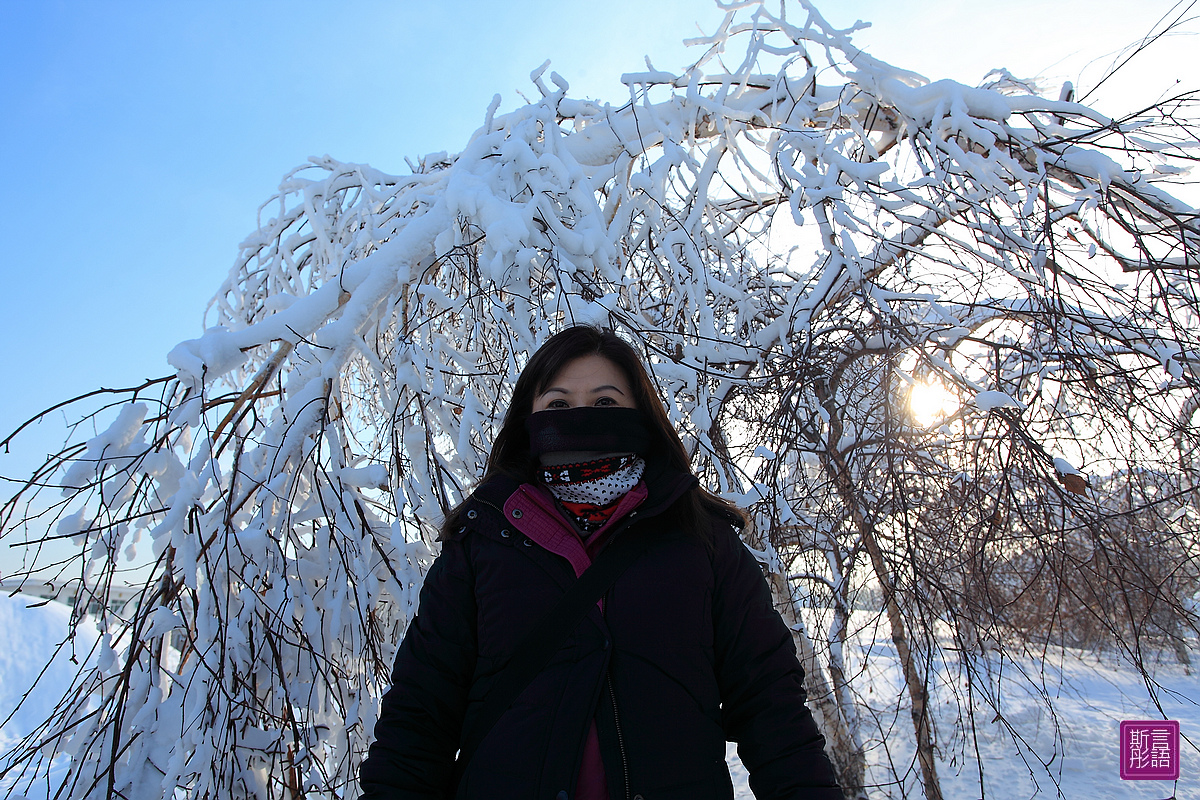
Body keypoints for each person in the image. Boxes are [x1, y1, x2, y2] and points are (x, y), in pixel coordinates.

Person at [359, 325, 841, 800]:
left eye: (605, 403)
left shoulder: (703, 539)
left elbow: (770, 704)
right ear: (529, 420)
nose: (581, 418)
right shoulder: (482, 540)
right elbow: (422, 711)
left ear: (641, 415)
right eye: (558, 405)